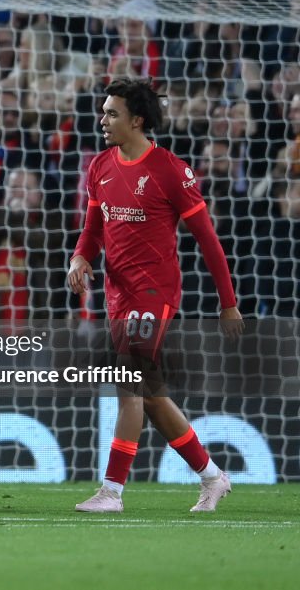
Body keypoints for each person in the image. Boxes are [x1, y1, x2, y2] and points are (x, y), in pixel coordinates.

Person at [67, 78, 244, 513]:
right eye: (103, 111)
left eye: (112, 113)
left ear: (137, 120)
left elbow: (208, 241)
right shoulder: (100, 166)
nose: (102, 120)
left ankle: (111, 492)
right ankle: (211, 476)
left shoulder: (170, 170)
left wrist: (228, 302)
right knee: (148, 392)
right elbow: (93, 230)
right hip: (116, 292)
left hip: (154, 291)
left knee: (128, 385)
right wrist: (79, 258)